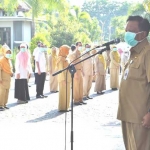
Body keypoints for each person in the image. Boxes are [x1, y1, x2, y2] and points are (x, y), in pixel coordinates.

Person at [117, 15, 150, 150]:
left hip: (141, 118)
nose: (127, 34)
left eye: (131, 30)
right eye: (126, 30)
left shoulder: (148, 53)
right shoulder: (134, 53)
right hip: (127, 115)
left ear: (142, 33)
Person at [57, 45, 71, 112]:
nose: (68, 52)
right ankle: (62, 107)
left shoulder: (66, 58)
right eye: (67, 50)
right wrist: (63, 79)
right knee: (63, 93)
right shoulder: (60, 59)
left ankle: (66, 107)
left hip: (67, 77)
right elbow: (60, 69)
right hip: (63, 78)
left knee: (67, 93)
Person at [0, 44, 13, 110]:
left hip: (8, 79)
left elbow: (10, 68)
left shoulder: (9, 60)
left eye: (9, 52)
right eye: (7, 52)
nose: (8, 53)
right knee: (2, 92)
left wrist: (12, 72)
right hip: (3, 79)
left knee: (7, 92)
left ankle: (5, 104)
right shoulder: (1, 60)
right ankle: (1, 105)